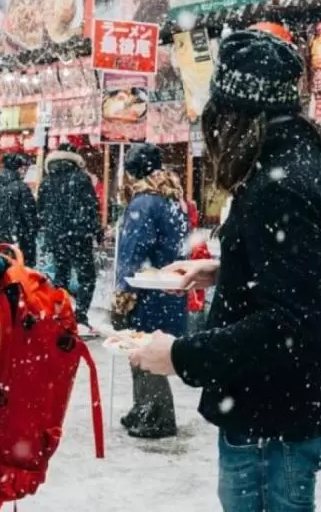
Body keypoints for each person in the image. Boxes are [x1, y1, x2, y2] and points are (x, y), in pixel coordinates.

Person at [129, 30, 321, 512]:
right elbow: (303, 279)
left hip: (269, 419)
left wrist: (180, 354)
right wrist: (227, 268)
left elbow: (287, 325)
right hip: (291, 409)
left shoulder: (280, 185)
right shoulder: (306, 162)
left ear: (235, 115)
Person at [110, 144, 189, 439]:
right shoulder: (173, 200)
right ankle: (142, 408)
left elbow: (132, 254)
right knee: (148, 350)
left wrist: (123, 293)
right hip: (168, 289)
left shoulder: (143, 203)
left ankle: (157, 415)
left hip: (146, 290)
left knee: (143, 351)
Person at [37, 142, 102, 336]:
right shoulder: (81, 179)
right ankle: (80, 317)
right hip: (79, 236)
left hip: (56, 237)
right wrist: (96, 231)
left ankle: (60, 314)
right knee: (87, 277)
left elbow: (41, 210)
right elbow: (92, 207)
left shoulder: (47, 181)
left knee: (61, 275)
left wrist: (49, 232)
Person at [0, 151, 38, 266]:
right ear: (18, 168)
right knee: (20, 273)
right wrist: (32, 233)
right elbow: (30, 216)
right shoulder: (21, 188)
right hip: (19, 239)